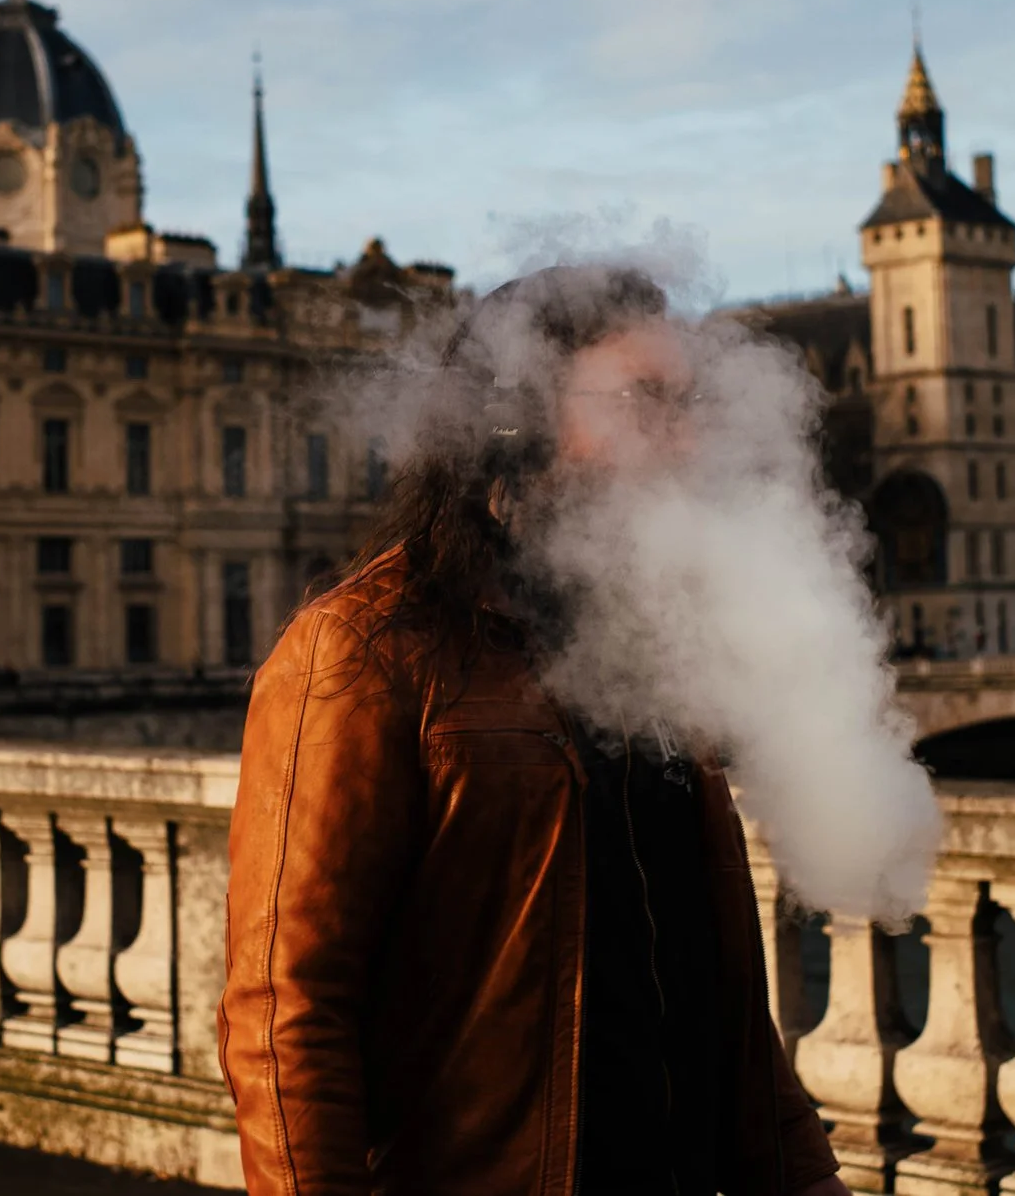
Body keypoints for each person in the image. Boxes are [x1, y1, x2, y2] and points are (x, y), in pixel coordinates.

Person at [219, 266, 847, 1196]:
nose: (688, 439)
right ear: (517, 422)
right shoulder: (361, 651)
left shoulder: (652, 642)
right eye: (645, 402)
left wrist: (803, 1176)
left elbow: (717, 984)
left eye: (689, 403)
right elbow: (286, 1015)